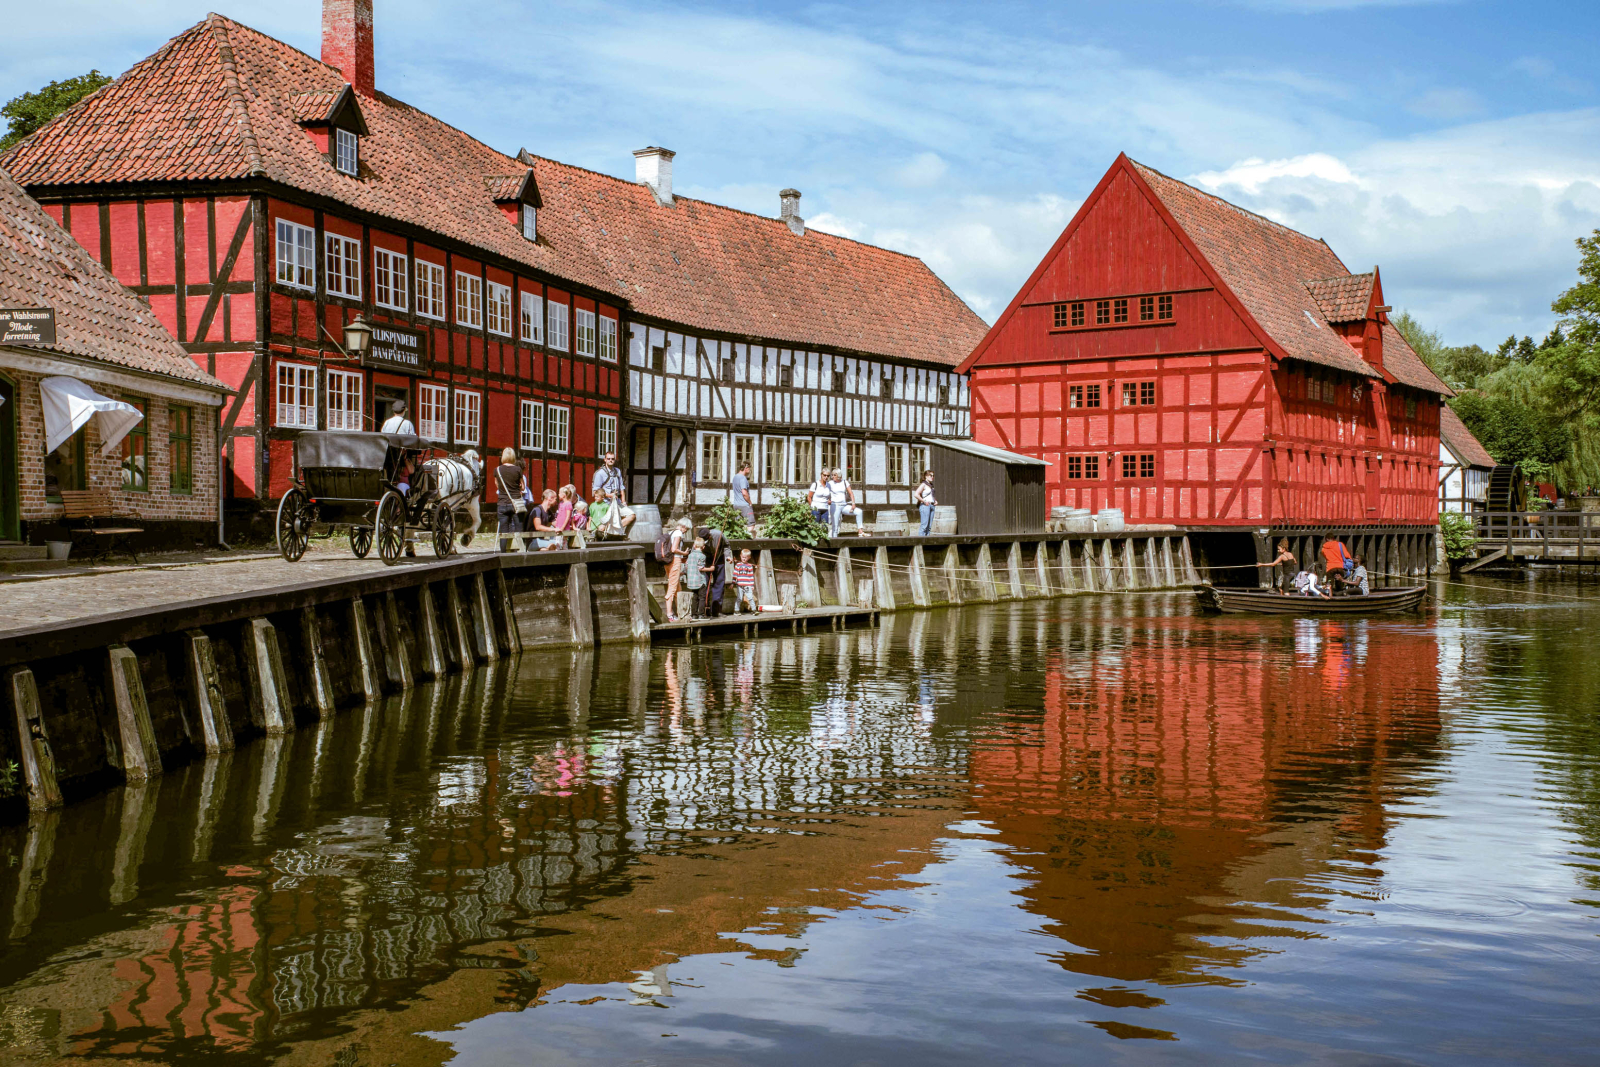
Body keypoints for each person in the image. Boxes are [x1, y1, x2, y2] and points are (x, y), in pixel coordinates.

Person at [590, 451, 635, 538]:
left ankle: (612, 530)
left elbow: (621, 487)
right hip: (605, 503)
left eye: (612, 459)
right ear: (605, 460)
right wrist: (609, 495)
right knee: (602, 526)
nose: (610, 460)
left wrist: (623, 501)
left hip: (617, 502)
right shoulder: (600, 473)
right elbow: (596, 491)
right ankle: (607, 531)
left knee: (631, 515)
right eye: (608, 459)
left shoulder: (617, 471)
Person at [493, 447, 527, 553]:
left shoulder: (497, 470)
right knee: (518, 529)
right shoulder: (518, 469)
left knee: (504, 531)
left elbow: (497, 485)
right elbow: (523, 487)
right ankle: (520, 552)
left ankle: (503, 554)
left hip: (502, 503)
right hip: (516, 503)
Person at [663, 517, 691, 621]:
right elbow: (674, 549)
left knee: (678, 588)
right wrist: (684, 553)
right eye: (687, 529)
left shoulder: (671, 532)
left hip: (668, 561)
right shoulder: (678, 533)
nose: (686, 531)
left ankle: (681, 613)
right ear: (683, 526)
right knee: (672, 587)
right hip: (675, 561)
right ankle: (669, 614)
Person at [697, 525, 729, 616]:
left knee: (719, 584)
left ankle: (716, 611)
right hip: (705, 560)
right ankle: (704, 610)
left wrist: (728, 556)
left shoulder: (718, 534)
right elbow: (694, 550)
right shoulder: (699, 540)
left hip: (719, 560)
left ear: (709, 536)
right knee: (704, 584)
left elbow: (727, 546)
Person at [683, 537, 708, 618]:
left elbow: (686, 566)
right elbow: (701, 568)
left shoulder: (690, 555)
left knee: (695, 598)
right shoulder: (702, 556)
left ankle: (694, 614)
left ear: (694, 546)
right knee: (702, 598)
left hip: (692, 581)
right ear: (703, 547)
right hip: (700, 580)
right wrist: (711, 569)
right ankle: (701, 614)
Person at [732, 548, 758, 613]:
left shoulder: (750, 566)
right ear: (740, 556)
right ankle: (736, 610)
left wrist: (752, 585)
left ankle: (754, 610)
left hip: (747, 585)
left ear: (749, 558)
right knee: (739, 598)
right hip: (740, 585)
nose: (744, 559)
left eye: (745, 557)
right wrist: (733, 583)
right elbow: (735, 575)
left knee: (750, 597)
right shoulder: (738, 565)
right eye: (743, 557)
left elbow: (751, 576)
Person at [730, 461, 755, 526]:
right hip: (744, 505)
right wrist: (750, 502)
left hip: (736, 505)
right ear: (745, 468)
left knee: (739, 525)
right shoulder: (743, 478)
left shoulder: (735, 477)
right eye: (749, 468)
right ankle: (749, 532)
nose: (750, 470)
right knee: (751, 525)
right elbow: (744, 493)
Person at [913, 469, 937, 536]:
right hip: (925, 506)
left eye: (933, 476)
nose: (932, 477)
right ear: (926, 476)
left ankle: (927, 541)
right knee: (924, 526)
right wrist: (924, 501)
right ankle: (921, 541)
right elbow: (916, 494)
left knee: (929, 527)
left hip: (932, 505)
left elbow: (931, 496)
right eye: (930, 475)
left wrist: (935, 500)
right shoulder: (923, 484)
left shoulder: (931, 485)